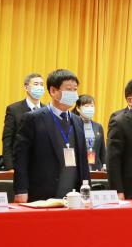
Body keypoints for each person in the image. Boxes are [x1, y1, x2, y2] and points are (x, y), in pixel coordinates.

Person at [12, 69, 90, 202]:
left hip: (75, 194)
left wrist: (87, 190)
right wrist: (21, 190)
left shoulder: (77, 121)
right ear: (53, 91)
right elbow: (21, 158)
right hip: (42, 192)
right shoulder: (33, 118)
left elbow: (83, 159)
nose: (73, 94)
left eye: (75, 89)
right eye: (68, 89)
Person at [0, 73, 45, 171]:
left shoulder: (47, 110)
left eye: (41, 84)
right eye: (36, 84)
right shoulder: (14, 109)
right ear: (26, 87)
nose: (39, 87)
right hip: (20, 165)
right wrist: (9, 166)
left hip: (42, 166)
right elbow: (7, 140)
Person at [75, 94, 106, 171]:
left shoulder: (98, 127)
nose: (90, 108)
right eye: (86, 106)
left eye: (92, 106)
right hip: (78, 168)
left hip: (96, 168)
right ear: (78, 108)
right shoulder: (73, 125)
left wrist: (104, 166)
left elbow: (102, 151)